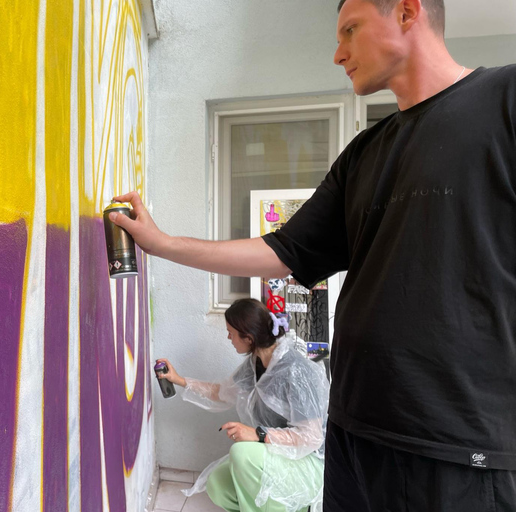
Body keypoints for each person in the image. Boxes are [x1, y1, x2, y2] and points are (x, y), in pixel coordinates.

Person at [112, 0, 516, 509]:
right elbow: (282, 251)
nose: (337, 53)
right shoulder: (364, 154)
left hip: (460, 448)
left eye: (350, 30)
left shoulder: (503, 99)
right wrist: (163, 244)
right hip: (354, 433)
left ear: (408, 12)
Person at [156, 298, 329, 512]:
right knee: (217, 484)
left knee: (241, 453)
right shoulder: (255, 363)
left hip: (308, 465)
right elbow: (221, 392)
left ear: (248, 338)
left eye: (231, 332)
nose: (228, 337)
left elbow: (312, 437)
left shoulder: (296, 370)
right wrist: (179, 380)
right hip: (277, 454)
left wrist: (259, 434)